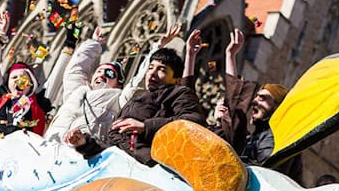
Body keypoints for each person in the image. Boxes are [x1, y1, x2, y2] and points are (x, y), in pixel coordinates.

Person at [64, 29, 206, 165]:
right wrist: (83, 143)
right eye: (150, 68)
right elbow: (112, 148)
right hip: (111, 165)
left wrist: (145, 127)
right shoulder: (132, 103)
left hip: (147, 166)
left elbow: (193, 120)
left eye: (161, 70)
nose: (152, 73)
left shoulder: (176, 93)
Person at [184, 29, 303, 183]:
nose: (254, 101)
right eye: (257, 97)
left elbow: (265, 178)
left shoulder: (279, 138)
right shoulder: (254, 136)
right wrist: (228, 56)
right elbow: (188, 105)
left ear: (278, 107)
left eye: (263, 98)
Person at [46, 26, 136, 142]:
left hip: (82, 153)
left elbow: (136, 84)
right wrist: (94, 43)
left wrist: (155, 51)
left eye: (110, 74)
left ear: (119, 84)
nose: (102, 75)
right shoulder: (78, 90)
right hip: (52, 145)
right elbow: (76, 69)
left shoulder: (118, 99)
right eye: (99, 71)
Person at [0, 10, 50, 136]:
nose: (18, 80)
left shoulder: (38, 108)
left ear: (31, 84)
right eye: (14, 77)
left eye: (23, 77)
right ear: (8, 83)